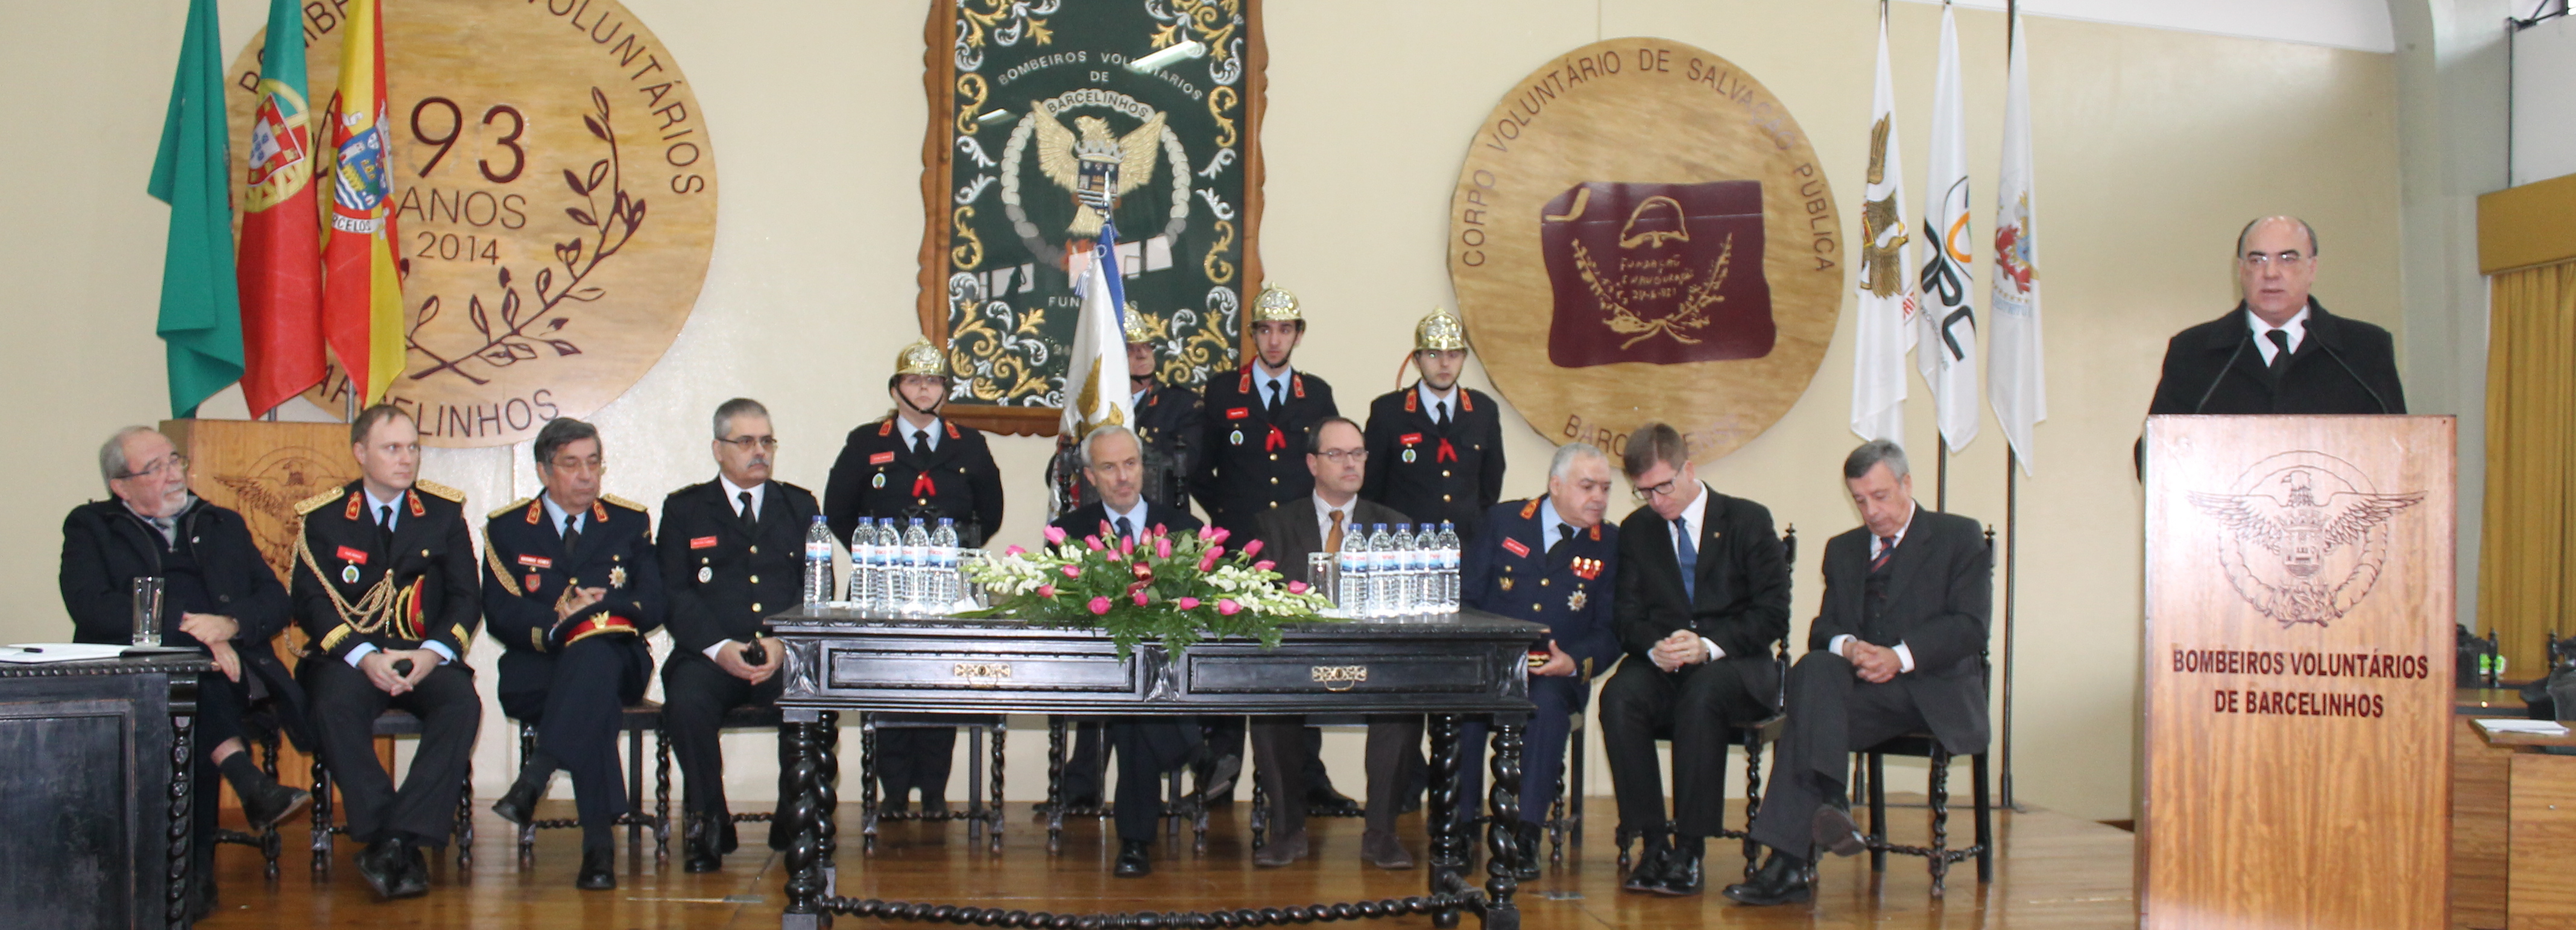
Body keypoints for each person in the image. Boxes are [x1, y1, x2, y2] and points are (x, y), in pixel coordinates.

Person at [1723, 440, 1991, 907]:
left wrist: (1900, 656)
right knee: (1818, 670)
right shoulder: (1843, 550)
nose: (1872, 511)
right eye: (1860, 500)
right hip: (1861, 693)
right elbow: (1824, 628)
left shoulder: (1957, 537)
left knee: (1807, 710)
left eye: (1881, 496)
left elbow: (1970, 627)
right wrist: (1850, 648)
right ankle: (1832, 803)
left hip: (1930, 691)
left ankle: (1790, 864)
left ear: (1907, 484)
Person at [60, 426, 313, 919]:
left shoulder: (221, 522)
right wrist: (194, 633)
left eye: (174, 461)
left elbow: (276, 601)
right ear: (121, 486)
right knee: (187, 687)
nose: (174, 474)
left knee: (191, 693)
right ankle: (208, 852)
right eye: (155, 469)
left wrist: (231, 625)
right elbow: (91, 607)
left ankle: (188, 876)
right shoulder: (92, 526)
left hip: (228, 674)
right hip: (133, 679)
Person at [291, 405, 482, 901]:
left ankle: (396, 839)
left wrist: (435, 653)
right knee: (333, 704)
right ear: (360, 452)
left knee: (461, 703)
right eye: (392, 448)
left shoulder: (442, 514)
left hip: (422, 654)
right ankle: (392, 836)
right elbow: (310, 601)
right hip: (351, 657)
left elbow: (466, 596)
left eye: (413, 448)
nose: (407, 460)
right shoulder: (325, 517)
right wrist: (363, 656)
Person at [1600, 422, 1790, 897]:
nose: (1657, 500)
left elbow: (1773, 615)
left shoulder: (1747, 519)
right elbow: (1626, 616)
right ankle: (1654, 842)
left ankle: (1690, 848)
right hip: (1666, 664)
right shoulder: (1638, 530)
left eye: (1664, 486)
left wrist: (1708, 645)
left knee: (1703, 695)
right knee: (1620, 695)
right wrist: (1653, 647)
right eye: (1644, 492)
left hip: (1737, 665)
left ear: (1689, 470)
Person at [822, 340, 1005, 811]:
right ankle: (894, 793)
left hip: (947, 588)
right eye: (914, 380)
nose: (924, 389)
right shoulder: (867, 441)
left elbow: (991, 513)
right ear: (896, 387)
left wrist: (950, 556)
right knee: (890, 683)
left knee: (940, 683)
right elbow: (839, 511)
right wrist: (877, 558)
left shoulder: (971, 443)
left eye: (934, 381)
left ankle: (935, 793)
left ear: (945, 389)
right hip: (884, 587)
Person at [482, 418, 664, 890]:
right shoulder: (507, 530)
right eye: (571, 464)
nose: (587, 476)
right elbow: (501, 612)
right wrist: (559, 623)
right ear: (544, 471)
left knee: (595, 661)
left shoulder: (629, 522)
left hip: (618, 655)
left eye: (593, 462)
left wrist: (600, 608)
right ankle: (598, 850)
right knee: (590, 696)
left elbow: (655, 602)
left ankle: (536, 776)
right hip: (537, 666)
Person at [1249, 416, 1423, 870]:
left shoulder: (1394, 528)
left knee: (1404, 705)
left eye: (1358, 454)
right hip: (1297, 663)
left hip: (1374, 664)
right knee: (1268, 706)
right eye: (1337, 454)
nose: (1351, 464)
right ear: (1312, 463)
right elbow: (1262, 607)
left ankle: (1382, 834)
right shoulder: (1275, 525)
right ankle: (1287, 832)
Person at [1189, 283, 1338, 806]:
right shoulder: (1223, 391)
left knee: (1301, 659)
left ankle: (1308, 780)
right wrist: (1230, 515)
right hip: (1237, 548)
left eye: (1285, 330)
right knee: (1228, 657)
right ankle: (1217, 776)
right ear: (1252, 335)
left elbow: (1326, 461)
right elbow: (1199, 470)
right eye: (1265, 330)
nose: (1275, 340)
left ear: (1298, 335)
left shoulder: (1315, 393)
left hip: (1297, 544)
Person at [1456, 442, 1624, 880]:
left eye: (1606, 488)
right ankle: (1460, 826)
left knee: (1545, 709)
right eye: (1588, 486)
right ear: (1555, 485)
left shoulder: (1610, 542)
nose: (1600, 499)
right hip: (1491, 664)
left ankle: (1524, 833)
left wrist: (1575, 662)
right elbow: (1467, 599)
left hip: (1557, 672)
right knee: (1464, 710)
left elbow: (1612, 629)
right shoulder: (1504, 521)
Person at [659, 398, 812, 872]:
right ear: (718, 449)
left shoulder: (799, 505)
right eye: (745, 441)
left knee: (811, 697)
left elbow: (817, 587)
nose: (759, 451)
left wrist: (784, 642)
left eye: (766, 441)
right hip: (709, 655)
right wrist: (718, 648)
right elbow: (672, 591)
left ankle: (794, 817)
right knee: (686, 705)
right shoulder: (685, 509)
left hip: (779, 651)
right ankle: (709, 821)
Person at [1046, 425, 1204, 878]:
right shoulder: (1066, 533)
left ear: (1144, 469)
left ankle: (1134, 844)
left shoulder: (1185, 530)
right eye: (1109, 467)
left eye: (1130, 464)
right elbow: (1060, 608)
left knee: (1136, 703)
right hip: (1093, 666)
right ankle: (1195, 753)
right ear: (1091, 476)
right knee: (1133, 696)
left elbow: (1198, 613)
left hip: (1168, 673)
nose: (1122, 477)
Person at [2144, 216, 2405, 418]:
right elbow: (2155, 453)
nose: (2271, 273)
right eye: (2257, 260)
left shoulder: (2365, 349)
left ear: (2312, 269)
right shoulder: (2193, 350)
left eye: (2287, 259)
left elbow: (2401, 445)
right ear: (2241, 270)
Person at [1362, 306, 1506, 542]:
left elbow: (1491, 485)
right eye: (1433, 355)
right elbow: (1372, 487)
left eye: (1453, 355)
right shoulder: (1389, 411)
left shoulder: (1483, 410)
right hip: (1405, 544)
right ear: (1416, 360)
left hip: (1465, 544)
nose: (1444, 364)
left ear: (1464, 357)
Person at [1047, 304, 1204, 516]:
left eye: (1147, 346)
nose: (1142, 355)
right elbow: (1057, 473)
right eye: (1130, 349)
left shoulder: (1181, 404)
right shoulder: (1094, 409)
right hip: (1098, 523)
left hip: (1162, 525)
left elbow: (1186, 467)